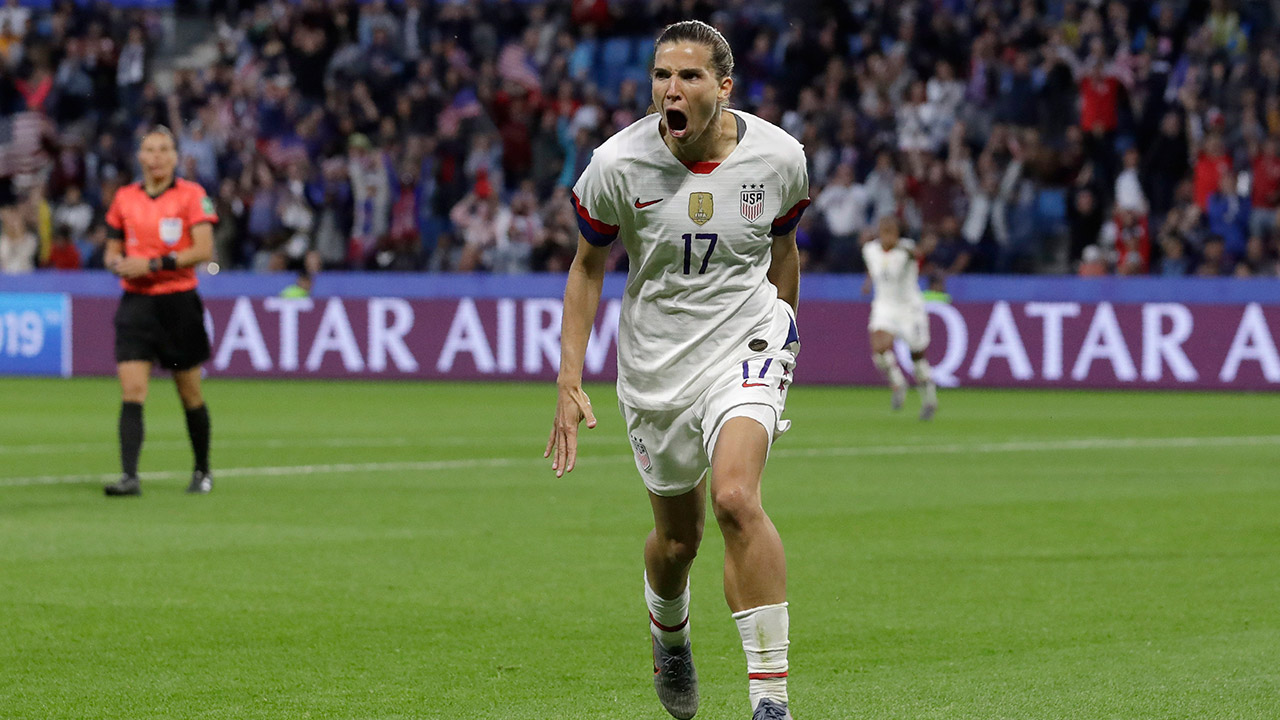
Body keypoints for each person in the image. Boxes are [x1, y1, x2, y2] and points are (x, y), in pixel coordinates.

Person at [545, 21, 806, 720]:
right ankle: (671, 634)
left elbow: (783, 250)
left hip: (745, 343)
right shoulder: (616, 165)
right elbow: (587, 266)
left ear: (723, 88)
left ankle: (770, 700)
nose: (672, 89)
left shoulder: (779, 157)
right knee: (678, 540)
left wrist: (782, 337)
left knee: (735, 499)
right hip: (658, 364)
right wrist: (570, 379)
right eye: (662, 76)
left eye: (689, 76)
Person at [102, 126, 218, 497]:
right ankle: (129, 477)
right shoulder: (124, 198)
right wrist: (117, 263)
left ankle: (202, 470)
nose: (156, 157)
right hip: (136, 304)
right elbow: (111, 248)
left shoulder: (192, 196)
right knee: (133, 389)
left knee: (190, 394)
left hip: (178, 303)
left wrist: (152, 265)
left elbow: (203, 250)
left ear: (175, 156)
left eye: (164, 149)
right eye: (150, 150)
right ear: (139, 156)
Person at [861, 215, 938, 420]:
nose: (888, 237)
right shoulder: (870, 249)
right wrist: (868, 282)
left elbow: (917, 253)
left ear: (897, 234)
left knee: (917, 356)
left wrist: (923, 247)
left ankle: (929, 399)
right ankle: (898, 383)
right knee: (879, 349)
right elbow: (875, 267)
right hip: (885, 306)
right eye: (884, 232)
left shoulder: (906, 249)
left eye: (891, 233)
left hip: (909, 309)